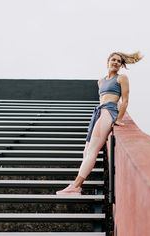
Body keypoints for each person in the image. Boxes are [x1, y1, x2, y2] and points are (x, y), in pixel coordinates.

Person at [56, 51, 143, 195]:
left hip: (109, 112)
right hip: (98, 113)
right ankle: (76, 185)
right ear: (108, 61)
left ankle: (76, 185)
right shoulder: (101, 81)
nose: (115, 62)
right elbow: (101, 100)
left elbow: (125, 100)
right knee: (86, 151)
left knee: (92, 151)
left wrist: (119, 119)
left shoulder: (122, 78)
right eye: (113, 60)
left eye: (119, 61)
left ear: (121, 65)